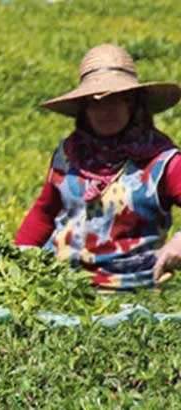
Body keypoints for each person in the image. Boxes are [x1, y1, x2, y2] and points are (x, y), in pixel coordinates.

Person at [15, 44, 181, 290]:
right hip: (60, 284)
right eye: (95, 103)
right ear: (84, 108)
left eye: (117, 99)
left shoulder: (163, 160)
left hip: (130, 288)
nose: (106, 111)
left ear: (133, 105)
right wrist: (17, 259)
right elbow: (44, 213)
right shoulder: (68, 154)